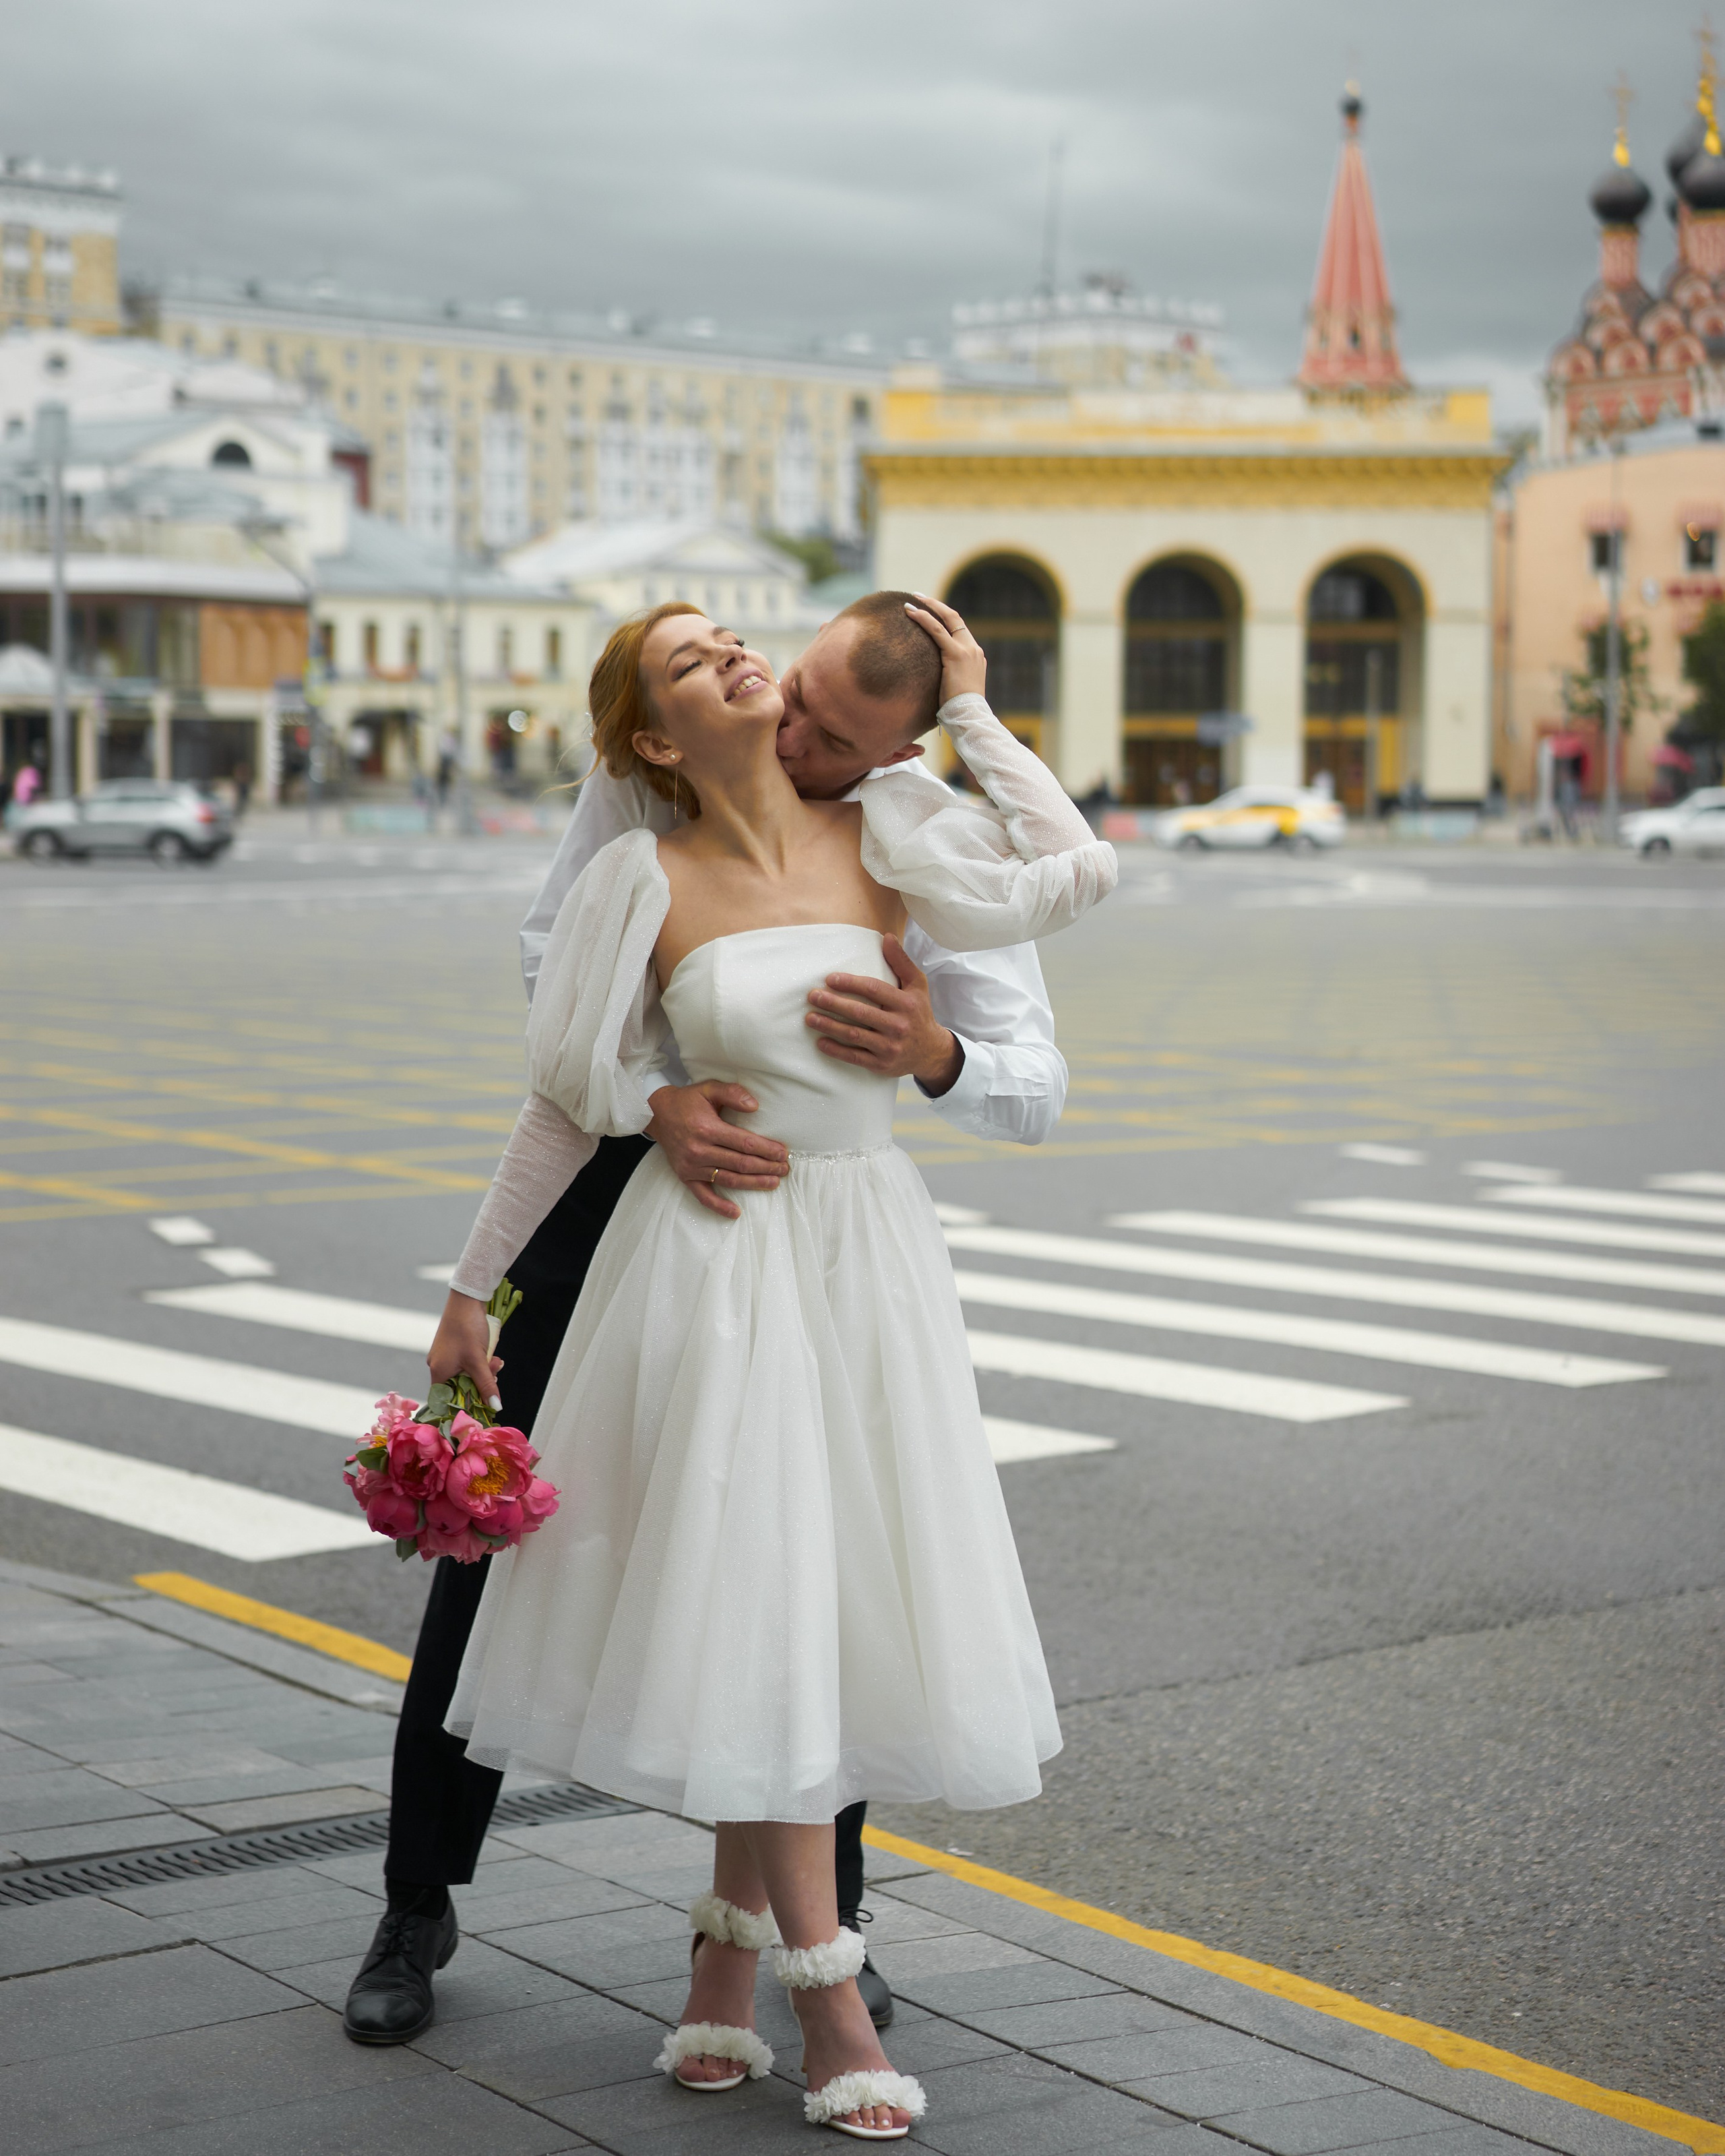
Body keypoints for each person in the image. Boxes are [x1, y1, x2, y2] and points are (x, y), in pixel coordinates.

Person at [343, 592, 1074, 2057]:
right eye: (790, 698)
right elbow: (563, 978)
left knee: (822, 1561)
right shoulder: (657, 758)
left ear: (894, 744)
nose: (799, 738)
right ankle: (415, 1896)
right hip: (635, 1174)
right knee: (503, 1550)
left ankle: (812, 1938)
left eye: (840, 737)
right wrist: (648, 1101)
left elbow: (1032, 1077)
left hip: (822, 1214)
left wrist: (933, 1054)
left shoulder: (907, 821)